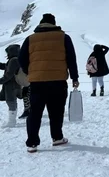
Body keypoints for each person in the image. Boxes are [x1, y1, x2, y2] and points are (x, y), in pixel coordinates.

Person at [18, 13, 79, 153]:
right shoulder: (63, 37)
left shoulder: (30, 39)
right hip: (58, 81)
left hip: (37, 82)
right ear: (54, 23)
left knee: (35, 113)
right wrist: (75, 78)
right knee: (56, 111)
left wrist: (31, 71)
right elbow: (71, 59)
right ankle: (57, 138)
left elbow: (21, 59)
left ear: (40, 24)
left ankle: (32, 143)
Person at [0, 44, 22, 128]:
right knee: (12, 102)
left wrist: (0, 81)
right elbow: (7, 67)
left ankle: (12, 122)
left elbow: (8, 74)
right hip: (15, 85)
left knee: (11, 102)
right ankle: (12, 121)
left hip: (11, 85)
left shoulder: (13, 60)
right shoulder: (17, 59)